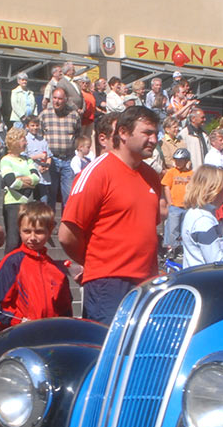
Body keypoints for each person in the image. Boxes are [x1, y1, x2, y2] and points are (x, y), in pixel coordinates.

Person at [58, 107, 165, 325]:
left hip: (145, 283)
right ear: (123, 133)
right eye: (147, 133)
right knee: (106, 352)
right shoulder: (98, 171)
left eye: (155, 134)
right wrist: (96, 262)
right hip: (108, 285)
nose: (154, 140)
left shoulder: (151, 176)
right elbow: (67, 234)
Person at [0, 202, 72, 328]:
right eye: (27, 231)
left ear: (50, 230)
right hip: (19, 336)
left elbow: (65, 310)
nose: (32, 237)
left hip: (49, 337)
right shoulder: (12, 262)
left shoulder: (56, 269)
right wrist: (17, 321)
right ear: (19, 229)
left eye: (39, 232)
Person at [0, 126, 42, 252]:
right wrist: (28, 180)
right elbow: (11, 182)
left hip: (27, 204)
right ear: (15, 141)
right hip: (12, 204)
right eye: (23, 139)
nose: (26, 142)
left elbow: (36, 178)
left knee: (25, 240)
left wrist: (20, 178)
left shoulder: (27, 159)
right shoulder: (5, 160)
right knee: (13, 240)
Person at [161, 148, 193, 251]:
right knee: (173, 228)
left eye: (181, 160)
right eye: (176, 160)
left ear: (186, 161)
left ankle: (182, 247)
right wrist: (169, 202)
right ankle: (171, 247)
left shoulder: (191, 174)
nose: (178, 163)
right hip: (175, 205)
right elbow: (166, 186)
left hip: (187, 206)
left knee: (184, 227)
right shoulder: (171, 172)